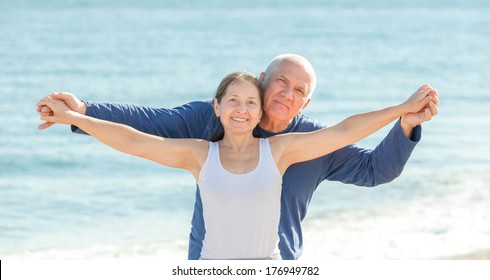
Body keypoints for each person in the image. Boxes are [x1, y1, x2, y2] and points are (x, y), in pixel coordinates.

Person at [37, 54, 439, 259]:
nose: (287, 93)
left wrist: (404, 120)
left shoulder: (305, 143)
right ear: (262, 81)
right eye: (281, 81)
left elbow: (374, 167)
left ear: (306, 101)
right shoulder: (216, 121)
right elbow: (145, 131)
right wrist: (83, 112)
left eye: (299, 90)